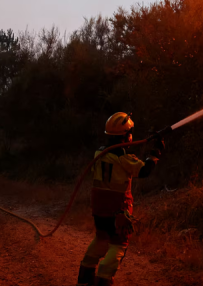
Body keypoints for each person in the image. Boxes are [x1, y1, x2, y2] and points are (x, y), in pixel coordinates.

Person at [77, 112, 165, 286]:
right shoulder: (123, 157)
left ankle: (85, 278)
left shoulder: (99, 153)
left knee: (101, 239)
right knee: (119, 244)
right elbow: (144, 171)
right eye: (130, 133)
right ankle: (104, 279)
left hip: (99, 208)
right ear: (126, 135)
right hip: (117, 210)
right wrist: (156, 153)